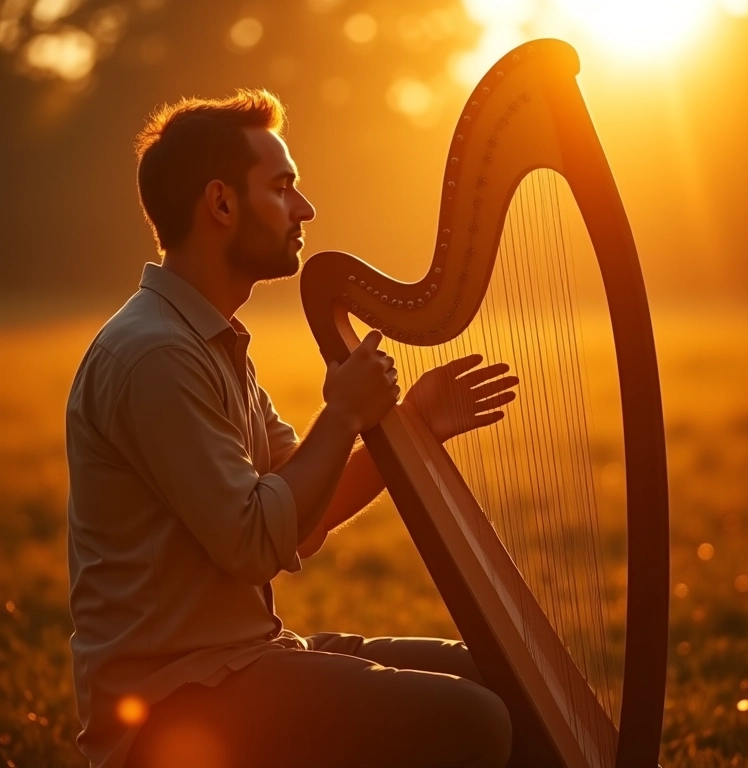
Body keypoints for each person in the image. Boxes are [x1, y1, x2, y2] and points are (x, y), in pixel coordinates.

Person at [66, 88, 519, 768]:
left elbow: (301, 516)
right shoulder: (155, 355)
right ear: (220, 204)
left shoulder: (206, 339)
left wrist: (417, 424)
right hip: (169, 708)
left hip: (243, 662)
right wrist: (342, 414)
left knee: (498, 675)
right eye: (282, 187)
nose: (304, 209)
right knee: (473, 720)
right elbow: (255, 542)